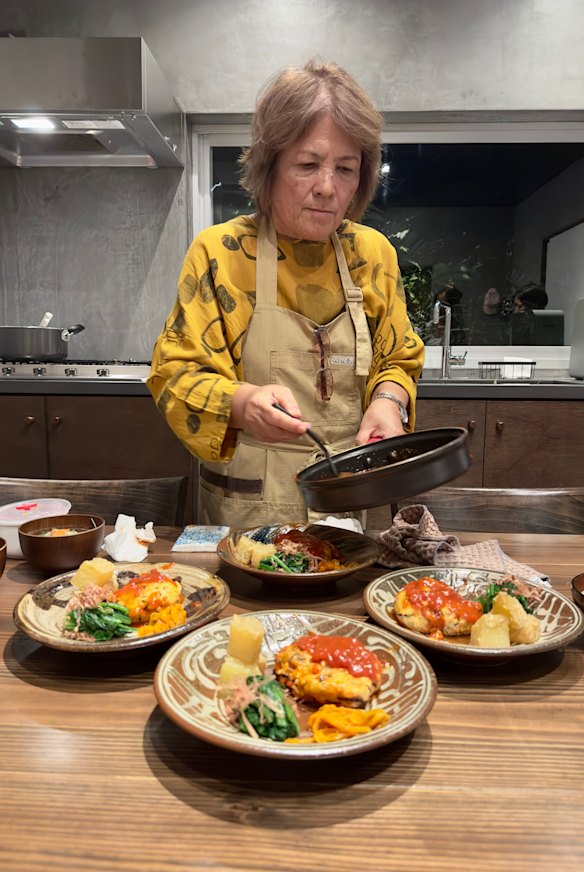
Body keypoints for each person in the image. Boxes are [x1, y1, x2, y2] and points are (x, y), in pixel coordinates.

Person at [148, 60, 425, 526]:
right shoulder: (223, 253)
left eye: (345, 169)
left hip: (346, 509)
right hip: (244, 513)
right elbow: (176, 374)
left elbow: (397, 358)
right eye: (308, 164)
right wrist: (241, 403)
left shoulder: (371, 255)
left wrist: (388, 402)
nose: (327, 188)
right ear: (269, 167)